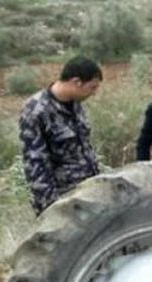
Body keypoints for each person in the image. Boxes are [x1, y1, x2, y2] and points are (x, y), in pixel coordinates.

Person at [19, 56, 103, 214]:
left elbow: (84, 147)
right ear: (77, 82)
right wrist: (51, 208)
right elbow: (35, 162)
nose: (94, 93)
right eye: (92, 87)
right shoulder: (36, 110)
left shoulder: (75, 105)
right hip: (64, 201)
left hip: (89, 193)